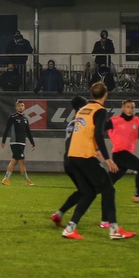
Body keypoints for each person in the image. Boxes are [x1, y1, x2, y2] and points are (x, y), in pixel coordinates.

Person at [59, 82, 135, 240]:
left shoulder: (82, 110)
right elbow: (99, 135)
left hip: (72, 156)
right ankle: (114, 230)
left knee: (89, 193)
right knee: (108, 189)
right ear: (105, 95)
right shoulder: (100, 110)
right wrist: (108, 159)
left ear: (92, 95)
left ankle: (70, 228)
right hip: (85, 156)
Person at [51, 96, 92, 228]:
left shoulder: (71, 124)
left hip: (67, 161)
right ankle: (73, 223)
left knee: (83, 190)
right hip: (77, 160)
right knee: (89, 191)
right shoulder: (83, 123)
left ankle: (59, 214)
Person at [105, 100, 139, 207]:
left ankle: (87, 193)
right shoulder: (114, 121)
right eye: (128, 107)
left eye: (132, 107)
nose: (130, 109)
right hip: (120, 154)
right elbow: (100, 128)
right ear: (123, 108)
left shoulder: (136, 120)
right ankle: (137, 195)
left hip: (126, 155)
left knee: (107, 183)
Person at [0, 100, 36, 186]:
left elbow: (28, 132)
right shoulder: (12, 117)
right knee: (22, 161)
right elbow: (7, 129)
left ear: (24, 107)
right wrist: (3, 141)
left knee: (14, 161)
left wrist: (32, 143)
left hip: (22, 143)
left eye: (22, 106)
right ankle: (27, 181)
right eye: (19, 106)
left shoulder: (25, 119)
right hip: (15, 142)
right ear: (16, 107)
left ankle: (6, 179)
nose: (21, 107)